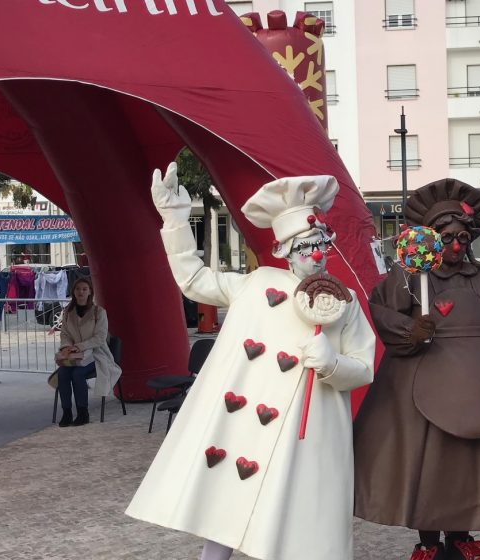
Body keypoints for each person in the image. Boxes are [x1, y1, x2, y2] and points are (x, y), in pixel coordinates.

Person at [126, 164, 375, 560]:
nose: (315, 254)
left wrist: (331, 363)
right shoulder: (255, 285)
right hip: (244, 425)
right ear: (282, 251)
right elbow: (194, 280)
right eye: (303, 246)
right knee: (226, 505)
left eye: (320, 243)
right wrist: (174, 219)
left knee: (296, 517)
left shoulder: (342, 299)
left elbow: (364, 367)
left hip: (305, 431)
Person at [354, 178, 480, 560]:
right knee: (428, 464)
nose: (454, 246)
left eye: (462, 239)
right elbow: (381, 311)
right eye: (445, 237)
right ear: (429, 239)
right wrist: (410, 329)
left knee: (470, 465)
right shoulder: (408, 278)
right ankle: (429, 542)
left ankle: (461, 537)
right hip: (421, 384)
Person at [52, 277, 121, 427]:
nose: (81, 292)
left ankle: (83, 412)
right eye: (78, 289)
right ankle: (67, 412)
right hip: (75, 355)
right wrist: (66, 347)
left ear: (90, 292)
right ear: (73, 292)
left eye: (84, 289)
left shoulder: (99, 312)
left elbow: (100, 338)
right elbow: (65, 333)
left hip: (96, 354)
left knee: (78, 374)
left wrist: (80, 346)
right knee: (63, 374)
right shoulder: (68, 312)